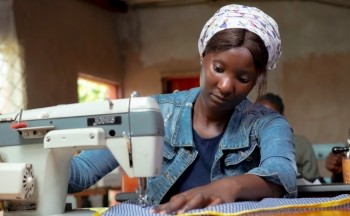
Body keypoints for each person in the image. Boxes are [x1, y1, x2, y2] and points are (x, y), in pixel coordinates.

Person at [68, 4, 297, 214]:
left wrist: (229, 186)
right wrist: (41, 162)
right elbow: (83, 172)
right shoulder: (151, 112)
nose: (226, 86)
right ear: (203, 56)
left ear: (256, 79)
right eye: (218, 68)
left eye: (243, 77)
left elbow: (282, 173)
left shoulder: (268, 124)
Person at [257, 93, 320, 181]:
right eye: (259, 115)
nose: (265, 121)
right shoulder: (247, 146)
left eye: (271, 117)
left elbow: (313, 181)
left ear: (281, 118)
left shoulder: (301, 144)